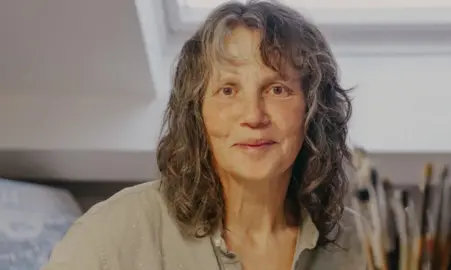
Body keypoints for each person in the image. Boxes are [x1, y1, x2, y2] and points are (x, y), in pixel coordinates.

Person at [42, 1, 364, 269]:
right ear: (196, 113)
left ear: (314, 108)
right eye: (227, 90)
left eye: (277, 89)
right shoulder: (112, 236)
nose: (253, 115)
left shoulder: (360, 246)